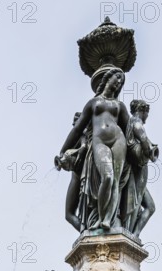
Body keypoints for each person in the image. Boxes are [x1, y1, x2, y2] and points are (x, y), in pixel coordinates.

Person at [56, 68, 130, 231]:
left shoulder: (120, 106)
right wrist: (63, 150)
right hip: (99, 141)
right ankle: (99, 218)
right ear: (107, 78)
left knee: (115, 182)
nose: (119, 82)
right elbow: (77, 129)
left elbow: (130, 129)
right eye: (117, 77)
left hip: (118, 140)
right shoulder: (93, 103)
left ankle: (106, 220)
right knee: (108, 177)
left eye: (121, 82)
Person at [121, 99, 158, 236]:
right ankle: (131, 233)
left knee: (149, 207)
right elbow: (142, 138)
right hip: (138, 169)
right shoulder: (136, 121)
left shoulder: (131, 122)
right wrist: (149, 150)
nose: (147, 116)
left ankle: (134, 235)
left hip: (137, 169)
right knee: (139, 204)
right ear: (143, 111)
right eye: (147, 113)